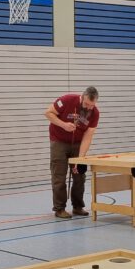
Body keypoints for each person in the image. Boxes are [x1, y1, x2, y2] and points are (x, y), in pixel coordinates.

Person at [44, 86, 100, 219]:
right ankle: (59, 208)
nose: (89, 108)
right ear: (82, 97)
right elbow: (48, 113)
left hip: (78, 143)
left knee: (79, 175)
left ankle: (78, 206)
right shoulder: (67, 100)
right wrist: (63, 125)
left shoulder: (95, 113)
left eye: (92, 105)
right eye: (86, 104)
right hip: (59, 141)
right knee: (59, 176)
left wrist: (80, 158)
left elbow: (88, 136)